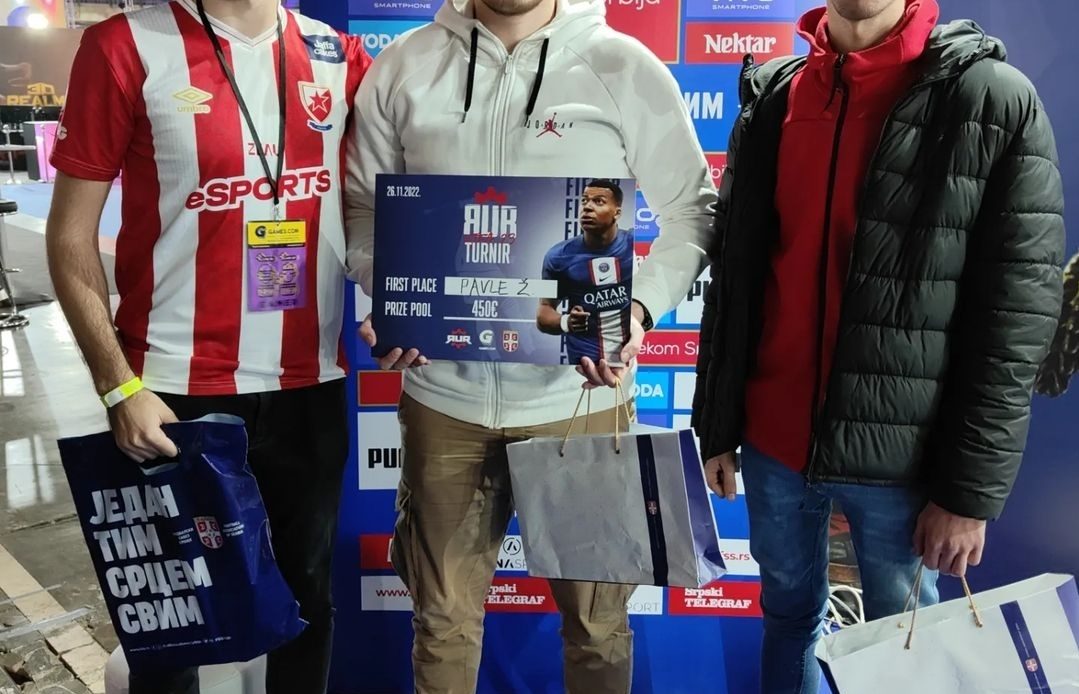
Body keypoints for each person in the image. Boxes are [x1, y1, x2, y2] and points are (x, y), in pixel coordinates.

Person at [691, 0, 1065, 692]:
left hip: (905, 462)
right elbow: (736, 277)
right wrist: (717, 421)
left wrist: (967, 494)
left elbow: (1015, 317)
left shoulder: (989, 97)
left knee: (907, 646)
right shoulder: (774, 95)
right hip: (774, 444)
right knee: (787, 622)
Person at [343, 0, 717, 689]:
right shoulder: (404, 66)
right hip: (444, 400)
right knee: (441, 621)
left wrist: (636, 308)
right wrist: (393, 292)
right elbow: (362, 210)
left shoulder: (622, 65)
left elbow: (692, 212)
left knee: (598, 626)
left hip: (579, 402)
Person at [43, 0, 370, 691]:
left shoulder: (338, 54)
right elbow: (70, 236)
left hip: (307, 381)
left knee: (309, 602)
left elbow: (381, 200)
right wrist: (118, 385)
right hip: (168, 390)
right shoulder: (123, 45)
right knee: (173, 621)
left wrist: (405, 304)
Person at [537, 178, 635, 366]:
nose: (587, 207)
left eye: (598, 201)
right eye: (584, 201)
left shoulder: (635, 243)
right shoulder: (558, 256)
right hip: (582, 367)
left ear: (617, 213)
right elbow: (543, 312)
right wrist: (566, 321)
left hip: (630, 361)